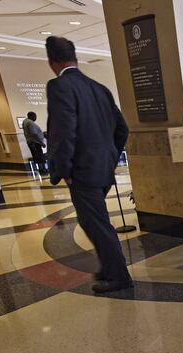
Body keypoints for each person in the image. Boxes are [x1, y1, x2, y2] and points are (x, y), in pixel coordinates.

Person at [44, 36, 132, 293]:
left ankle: (119, 276)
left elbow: (63, 132)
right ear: (75, 57)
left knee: (97, 223)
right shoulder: (99, 88)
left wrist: (65, 171)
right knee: (91, 220)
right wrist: (109, 159)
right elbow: (122, 129)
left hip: (82, 172)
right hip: (102, 170)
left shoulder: (60, 86)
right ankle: (108, 265)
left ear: (52, 61)